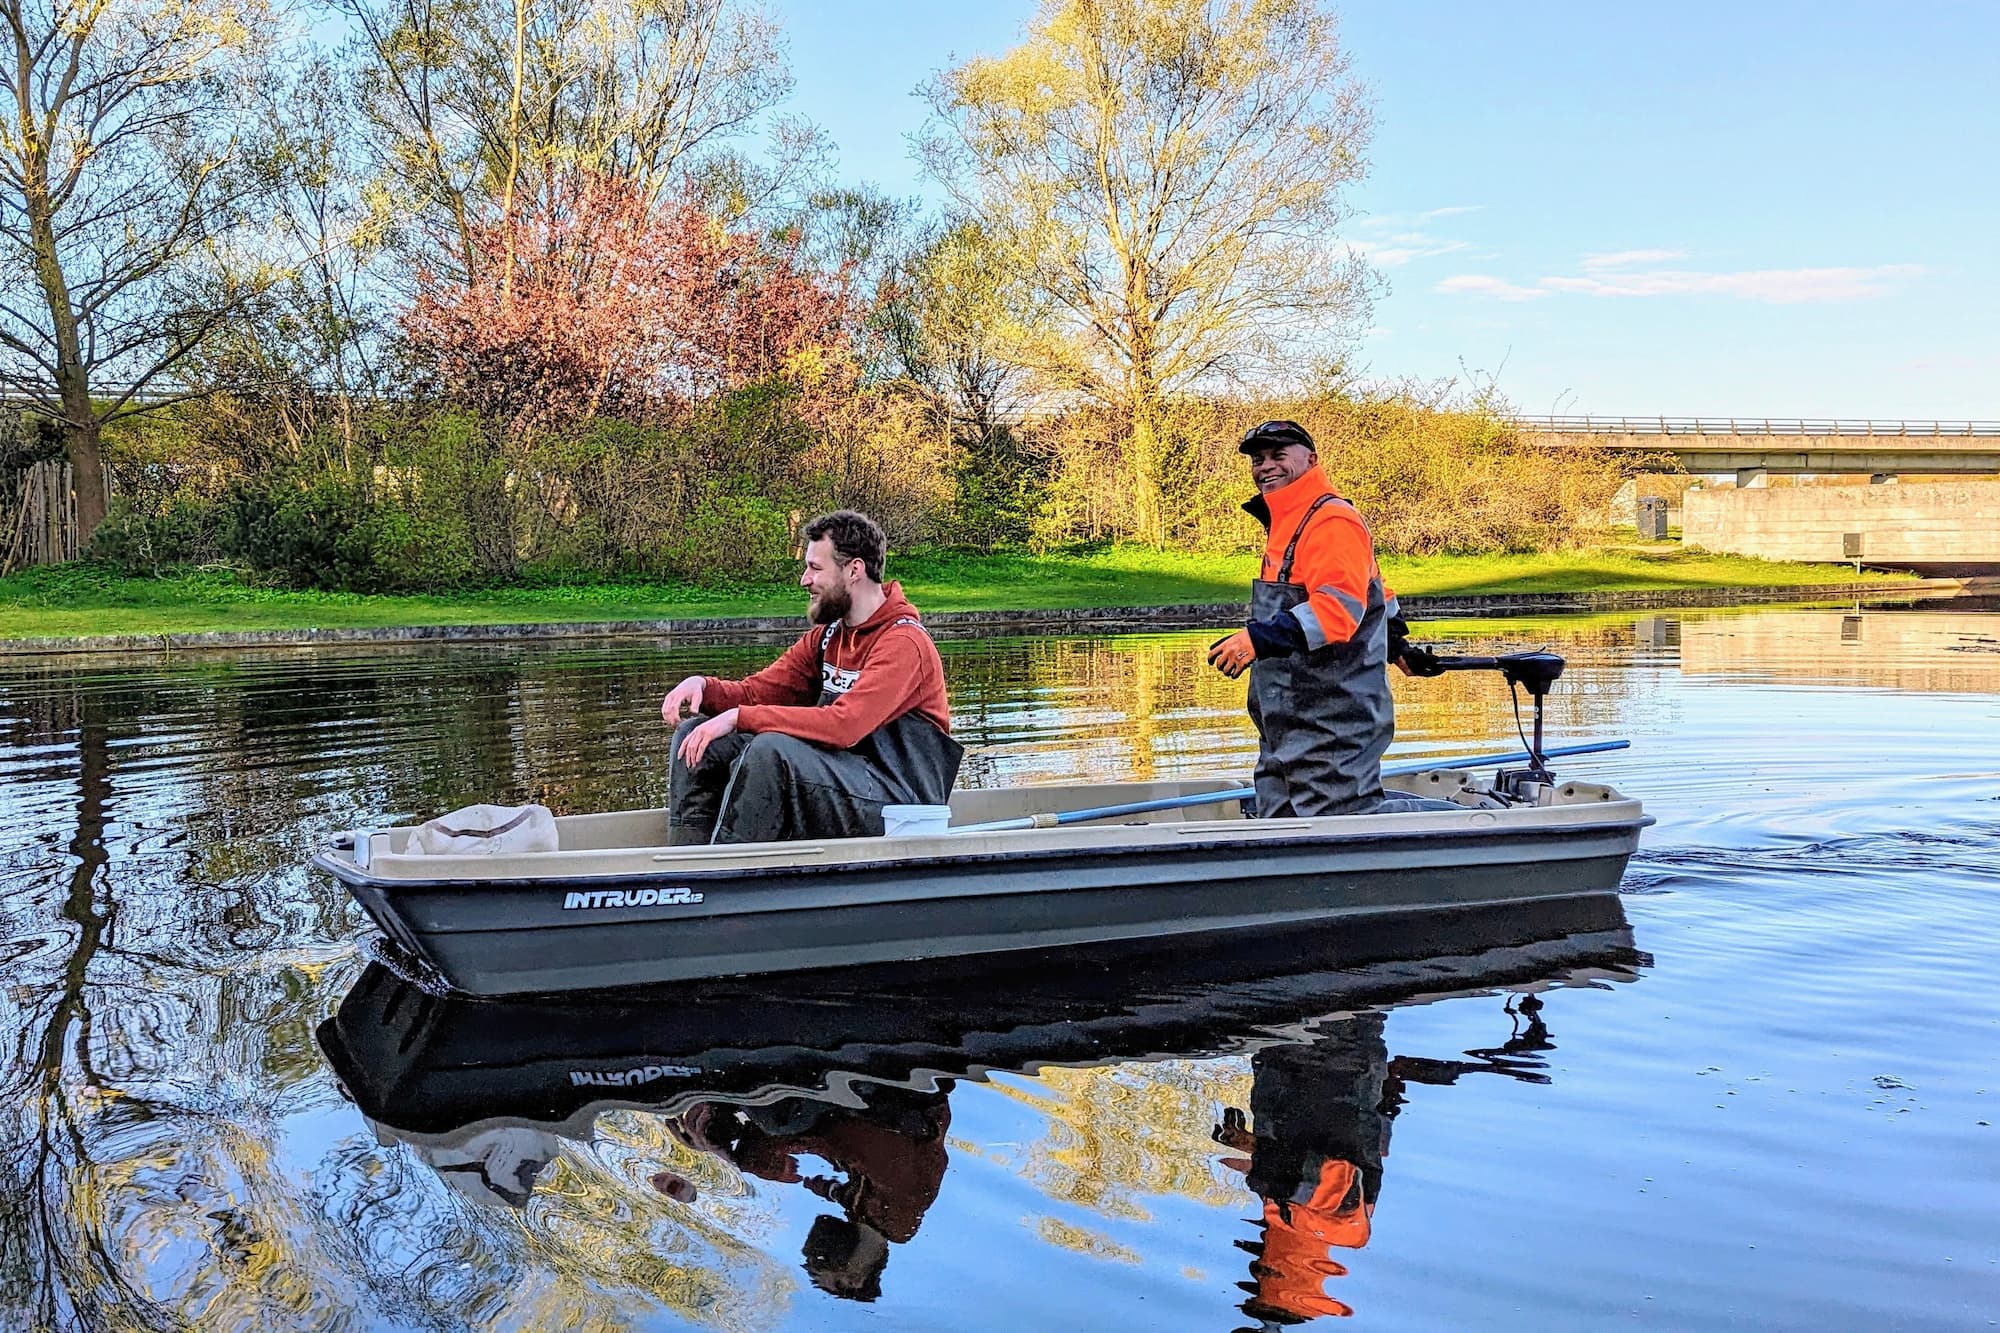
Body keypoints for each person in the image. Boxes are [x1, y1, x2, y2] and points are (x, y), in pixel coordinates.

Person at [661, 510, 961, 845]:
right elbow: (759, 692)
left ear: (854, 570)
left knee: (771, 751)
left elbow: (844, 725)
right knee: (697, 737)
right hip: (849, 782)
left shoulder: (904, 644)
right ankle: (687, 871)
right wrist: (705, 688)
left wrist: (740, 718)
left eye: (815, 568)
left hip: (902, 808)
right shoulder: (829, 636)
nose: (805, 579)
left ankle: (730, 879)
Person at [1205, 420, 1439, 817]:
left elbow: (1337, 609)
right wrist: (1397, 646)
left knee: (1341, 818)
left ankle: (1473, 827)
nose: (1266, 467)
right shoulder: (1287, 522)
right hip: (1286, 722)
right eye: (1258, 460)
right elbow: (1375, 590)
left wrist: (1255, 640)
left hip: (1335, 719)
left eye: (1278, 455)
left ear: (1311, 459)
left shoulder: (1330, 520)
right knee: (1279, 818)